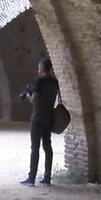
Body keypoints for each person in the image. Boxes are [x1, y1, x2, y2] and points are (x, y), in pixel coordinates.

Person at [19, 57, 60, 186]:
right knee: (47, 146)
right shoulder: (55, 82)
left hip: (37, 118)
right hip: (49, 117)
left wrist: (28, 94)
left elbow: (34, 100)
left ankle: (32, 178)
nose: (38, 69)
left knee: (35, 147)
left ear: (42, 67)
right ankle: (47, 177)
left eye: (38, 67)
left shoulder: (39, 81)